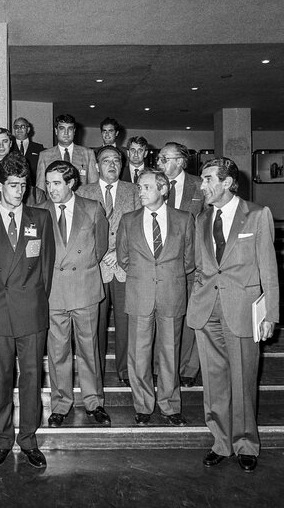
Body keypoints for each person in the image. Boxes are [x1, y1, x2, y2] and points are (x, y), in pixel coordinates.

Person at [187, 157, 279, 472]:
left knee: (243, 380)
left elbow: (269, 268)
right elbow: (202, 267)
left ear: (227, 182)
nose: (202, 186)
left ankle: (246, 443)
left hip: (241, 310)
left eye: (209, 179)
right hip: (206, 311)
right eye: (202, 179)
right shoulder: (201, 220)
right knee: (214, 382)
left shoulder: (257, 215)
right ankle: (221, 443)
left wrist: (270, 313)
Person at [0, 154, 55, 469]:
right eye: (14, 185)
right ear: (0, 185)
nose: (20, 191)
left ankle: (29, 439)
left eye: (23, 185)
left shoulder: (40, 218)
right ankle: (3, 439)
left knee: (31, 378)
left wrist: (34, 299)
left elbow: (46, 268)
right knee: (2, 379)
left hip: (31, 310)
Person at [117, 170, 194, 427]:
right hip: (140, 294)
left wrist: (167, 277)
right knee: (138, 354)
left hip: (172, 294)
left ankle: (170, 406)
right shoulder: (128, 220)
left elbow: (190, 260)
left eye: (146, 187)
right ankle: (142, 405)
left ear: (162, 189)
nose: (140, 192)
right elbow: (123, 258)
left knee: (170, 353)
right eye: (139, 187)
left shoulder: (184, 219)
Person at [39, 160, 110, 427]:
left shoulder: (92, 209)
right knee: (57, 351)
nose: (51, 188)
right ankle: (60, 404)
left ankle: (94, 402)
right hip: (53, 291)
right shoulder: (40, 211)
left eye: (57, 183)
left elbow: (100, 247)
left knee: (89, 349)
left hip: (85, 288)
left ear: (71, 183)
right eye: (48, 183)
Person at [78, 146, 141, 385]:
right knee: (95, 324)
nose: (112, 165)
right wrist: (101, 253)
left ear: (122, 165)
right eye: (106, 161)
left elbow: (138, 227)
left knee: (127, 324)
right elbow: (81, 231)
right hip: (96, 267)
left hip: (125, 267)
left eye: (116, 160)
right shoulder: (83, 191)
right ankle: (96, 372)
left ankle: (125, 371)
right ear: (96, 165)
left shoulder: (134, 190)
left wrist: (118, 252)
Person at [156, 142, 205, 387]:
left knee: (190, 317)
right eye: (159, 158)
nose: (159, 162)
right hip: (162, 265)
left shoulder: (200, 185)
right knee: (164, 317)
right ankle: (162, 367)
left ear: (181, 161)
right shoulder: (153, 184)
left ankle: (187, 368)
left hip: (192, 264)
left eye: (165, 158)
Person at [36, 114, 97, 192]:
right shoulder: (44, 156)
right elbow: (40, 190)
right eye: (62, 129)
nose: (66, 133)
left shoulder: (88, 154)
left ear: (74, 131)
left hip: (80, 202)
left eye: (70, 129)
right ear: (56, 131)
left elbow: (94, 187)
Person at [11, 117, 44, 186]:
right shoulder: (9, 148)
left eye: (22, 126)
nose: (19, 129)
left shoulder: (39, 148)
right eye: (16, 127)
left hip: (34, 187)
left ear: (28, 129)